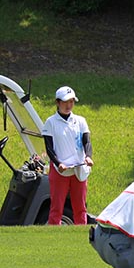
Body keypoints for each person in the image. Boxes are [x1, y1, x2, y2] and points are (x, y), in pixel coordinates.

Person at [42, 86, 93, 225]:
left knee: (80, 208)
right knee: (56, 208)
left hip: (78, 168)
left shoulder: (80, 121)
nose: (68, 105)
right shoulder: (50, 122)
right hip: (61, 170)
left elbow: (86, 141)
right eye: (65, 102)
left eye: (71, 102)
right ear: (58, 102)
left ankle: (80, 237)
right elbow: (49, 147)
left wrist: (88, 156)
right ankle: (53, 238)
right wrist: (58, 163)